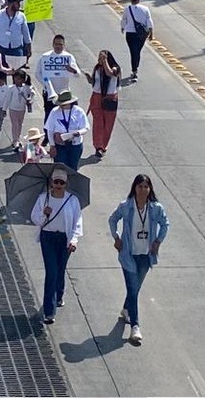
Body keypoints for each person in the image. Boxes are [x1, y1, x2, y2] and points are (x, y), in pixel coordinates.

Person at [108, 174, 169, 343]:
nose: (142, 190)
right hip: (128, 254)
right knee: (133, 287)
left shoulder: (155, 208)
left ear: (150, 189)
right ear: (134, 188)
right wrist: (117, 238)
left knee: (135, 288)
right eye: (140, 186)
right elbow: (112, 220)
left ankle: (127, 309)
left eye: (145, 187)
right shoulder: (126, 206)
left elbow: (165, 224)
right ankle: (135, 326)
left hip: (145, 255)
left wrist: (158, 241)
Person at [34, 169, 83, 324]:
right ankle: (49, 311)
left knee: (60, 269)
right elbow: (34, 218)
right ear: (51, 182)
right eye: (56, 182)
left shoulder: (72, 200)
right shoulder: (43, 198)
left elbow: (77, 221)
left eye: (62, 182)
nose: (59, 185)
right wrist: (44, 214)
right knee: (52, 271)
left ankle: (59, 294)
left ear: (66, 183)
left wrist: (74, 240)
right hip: (48, 237)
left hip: (64, 239)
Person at [85, 50, 122, 158]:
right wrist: (89, 78)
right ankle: (98, 146)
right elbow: (95, 82)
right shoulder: (97, 68)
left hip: (110, 98)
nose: (99, 61)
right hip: (96, 97)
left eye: (102, 58)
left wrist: (105, 61)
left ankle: (104, 146)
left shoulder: (115, 68)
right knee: (98, 123)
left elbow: (109, 73)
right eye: (99, 58)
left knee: (108, 125)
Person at [36, 34, 81, 115]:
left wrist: (72, 70)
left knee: (64, 115)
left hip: (64, 93)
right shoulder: (45, 56)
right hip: (49, 93)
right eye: (56, 44)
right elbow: (37, 73)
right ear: (53, 44)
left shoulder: (68, 57)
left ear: (64, 45)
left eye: (60, 44)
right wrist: (46, 84)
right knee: (49, 115)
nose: (58, 46)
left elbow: (78, 75)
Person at [44, 91, 87, 170]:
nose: (61, 106)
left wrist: (78, 133)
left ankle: (72, 182)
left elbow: (86, 127)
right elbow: (50, 130)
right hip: (60, 145)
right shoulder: (54, 112)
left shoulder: (78, 111)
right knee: (60, 167)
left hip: (75, 144)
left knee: (73, 168)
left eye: (63, 104)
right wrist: (52, 145)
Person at [120, 0, 154, 81]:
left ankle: (134, 71)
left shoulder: (127, 9)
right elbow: (149, 22)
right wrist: (151, 34)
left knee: (133, 52)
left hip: (130, 33)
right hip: (142, 34)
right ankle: (135, 69)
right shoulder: (145, 9)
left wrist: (123, 28)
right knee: (137, 52)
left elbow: (124, 19)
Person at [0, 0, 32, 71]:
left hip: (16, 48)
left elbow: (26, 33)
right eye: (17, 3)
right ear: (10, 4)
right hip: (1, 47)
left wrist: (29, 49)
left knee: (18, 73)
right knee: (1, 72)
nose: (19, 5)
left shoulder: (21, 16)